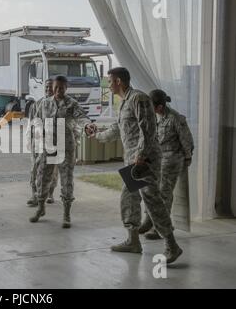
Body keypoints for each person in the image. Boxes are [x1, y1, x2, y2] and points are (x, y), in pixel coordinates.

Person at [86, 68, 183, 264]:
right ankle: (133, 241)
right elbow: (117, 129)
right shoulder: (125, 102)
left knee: (152, 200)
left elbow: (148, 129)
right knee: (129, 199)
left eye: (110, 81)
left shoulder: (139, 99)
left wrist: (140, 156)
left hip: (143, 161)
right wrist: (97, 135)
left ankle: (171, 245)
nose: (108, 84)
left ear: (119, 81)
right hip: (134, 161)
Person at [30, 75, 91, 228]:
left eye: (61, 88)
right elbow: (37, 120)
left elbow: (82, 117)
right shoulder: (44, 103)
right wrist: (37, 132)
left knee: (67, 181)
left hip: (66, 148)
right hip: (48, 147)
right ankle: (41, 208)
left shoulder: (72, 103)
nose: (58, 91)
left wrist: (88, 126)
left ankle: (66, 214)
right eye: (56, 88)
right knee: (42, 177)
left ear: (66, 88)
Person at [138, 89, 194, 240]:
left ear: (160, 107)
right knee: (148, 189)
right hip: (156, 157)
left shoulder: (176, 118)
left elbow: (187, 141)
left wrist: (187, 158)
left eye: (152, 107)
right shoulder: (154, 118)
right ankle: (148, 221)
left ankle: (161, 228)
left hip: (172, 159)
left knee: (164, 193)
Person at [27, 79, 58, 207]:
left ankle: (50, 193)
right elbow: (31, 123)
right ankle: (34, 193)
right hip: (38, 142)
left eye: (50, 88)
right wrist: (30, 139)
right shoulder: (37, 104)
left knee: (52, 170)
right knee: (35, 167)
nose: (48, 90)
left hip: (53, 142)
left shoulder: (60, 105)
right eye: (46, 87)